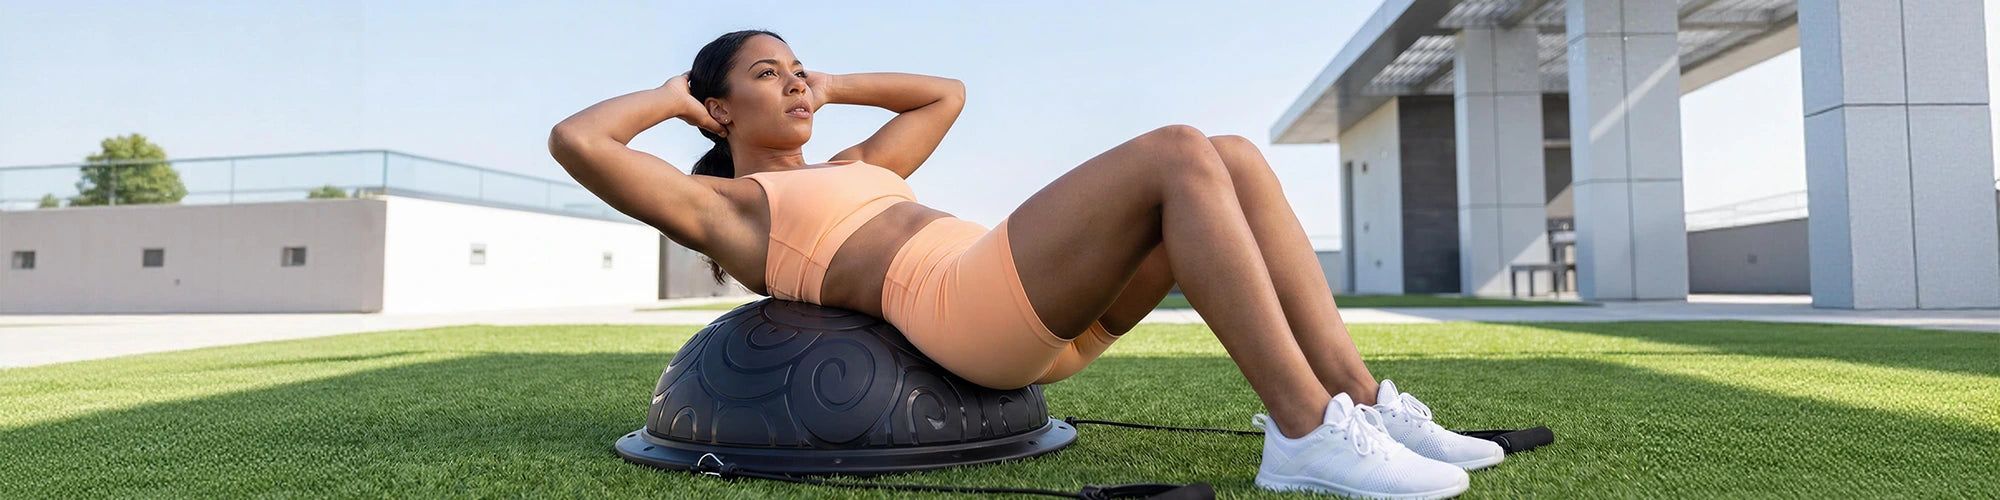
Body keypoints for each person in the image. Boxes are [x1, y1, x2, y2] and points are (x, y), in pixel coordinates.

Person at [549, 29, 1500, 499]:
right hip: (971, 316)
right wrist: (673, 97)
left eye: (799, 67)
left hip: (1033, 314)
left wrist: (830, 84)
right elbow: (580, 140)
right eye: (769, 75)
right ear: (718, 112)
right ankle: (1303, 436)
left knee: (1235, 157)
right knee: (1175, 149)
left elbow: (943, 95)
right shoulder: (729, 211)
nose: (795, 81)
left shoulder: (855, 165)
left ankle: (1360, 403)